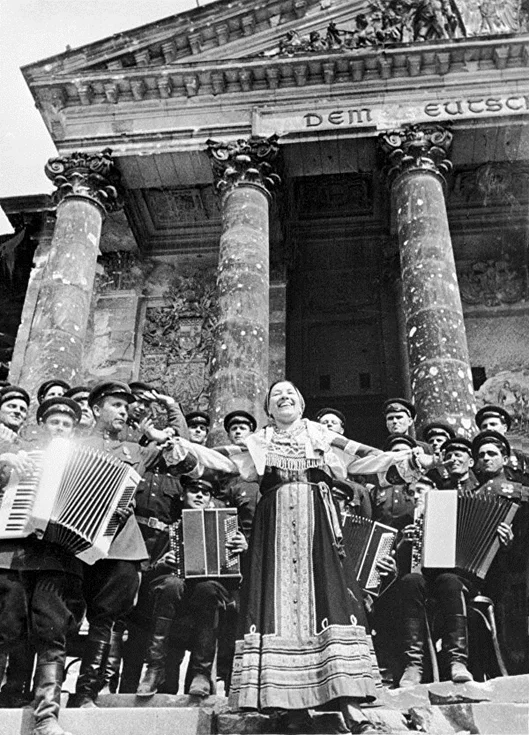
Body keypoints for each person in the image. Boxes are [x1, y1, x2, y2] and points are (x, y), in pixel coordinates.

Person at [165, 380, 435, 733]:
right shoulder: (259, 441)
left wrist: (409, 459)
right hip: (273, 528)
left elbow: (364, 458)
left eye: (291, 393)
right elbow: (223, 460)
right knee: (277, 609)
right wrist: (182, 447)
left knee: (332, 602)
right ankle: (288, 704)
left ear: (302, 404)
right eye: (277, 395)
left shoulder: (322, 436)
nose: (284, 397)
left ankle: (348, 700)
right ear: (269, 408)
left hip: (317, 527)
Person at [397, 431, 516, 688]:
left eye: (460, 455)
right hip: (431, 573)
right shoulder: (430, 500)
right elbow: (418, 545)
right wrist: (412, 539)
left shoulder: (480, 492)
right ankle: (414, 665)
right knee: (410, 581)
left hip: (466, 576)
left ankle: (457, 661)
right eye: (448, 456)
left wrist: (503, 543)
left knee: (450, 581)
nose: (453, 460)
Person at [68, 381, 159, 708]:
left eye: (126, 406)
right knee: (63, 617)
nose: (123, 411)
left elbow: (180, 445)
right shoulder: (74, 446)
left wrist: (163, 428)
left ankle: (86, 694)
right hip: (75, 541)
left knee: (105, 619)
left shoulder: (134, 451)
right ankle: (45, 690)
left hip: (121, 544)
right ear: (95, 409)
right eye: (116, 405)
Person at [0, 396, 84, 735]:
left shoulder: (82, 463)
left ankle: (46, 714)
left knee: (51, 631)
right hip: (17, 551)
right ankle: (9, 699)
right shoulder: (23, 456)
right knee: (9, 627)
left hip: (58, 559)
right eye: (54, 422)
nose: (60, 427)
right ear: (43, 426)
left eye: (66, 424)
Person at [136, 475, 247, 698]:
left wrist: (242, 548)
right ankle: (154, 668)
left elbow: (234, 578)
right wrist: (162, 562)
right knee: (172, 584)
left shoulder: (225, 527)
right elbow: (148, 571)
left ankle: (201, 674)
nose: (199, 496)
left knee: (208, 589)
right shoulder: (170, 526)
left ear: (210, 500)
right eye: (194, 491)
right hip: (171, 591)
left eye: (205, 493)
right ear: (183, 495)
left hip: (205, 592)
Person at [475, 406, 529, 486]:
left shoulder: (520, 456)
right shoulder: (475, 457)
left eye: (493, 424)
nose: (488, 428)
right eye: (484, 426)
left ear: (504, 428)